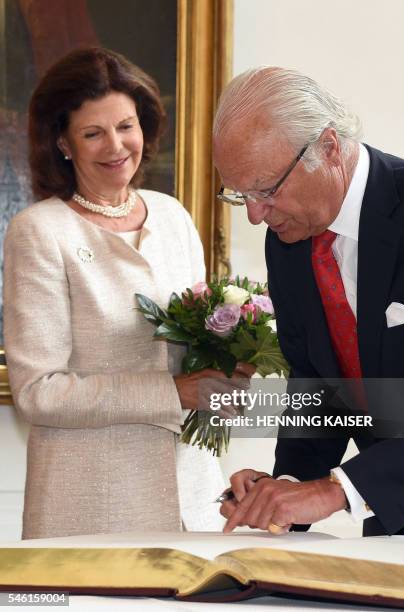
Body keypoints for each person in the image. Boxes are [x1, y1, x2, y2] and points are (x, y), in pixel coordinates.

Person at [3, 47, 249, 539]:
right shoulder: (40, 231)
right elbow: (37, 392)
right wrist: (175, 392)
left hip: (195, 503)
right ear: (63, 144)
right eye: (93, 133)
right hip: (92, 507)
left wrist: (228, 376)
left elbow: (195, 351)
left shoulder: (172, 216)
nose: (116, 146)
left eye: (126, 126)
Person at [213, 66, 404, 538]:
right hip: (394, 534)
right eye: (241, 196)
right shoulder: (290, 237)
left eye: (266, 190)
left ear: (328, 146)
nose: (257, 216)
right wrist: (284, 488)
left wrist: (337, 489)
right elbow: (319, 384)